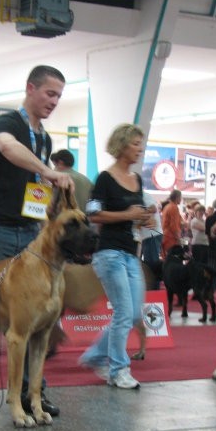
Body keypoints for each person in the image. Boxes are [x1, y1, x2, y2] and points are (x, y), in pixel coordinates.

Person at [0, 64, 75, 417]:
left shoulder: (44, 137)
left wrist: (48, 208)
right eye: (49, 93)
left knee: (35, 319)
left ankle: (29, 392)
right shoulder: (6, 125)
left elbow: (35, 187)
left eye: (59, 95)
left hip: (29, 232)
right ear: (30, 88)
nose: (54, 101)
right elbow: (9, 150)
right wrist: (47, 170)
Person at [78, 123, 152, 389]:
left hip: (132, 254)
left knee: (132, 315)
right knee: (123, 312)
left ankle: (96, 354)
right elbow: (94, 215)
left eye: (141, 145)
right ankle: (118, 370)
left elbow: (136, 215)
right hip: (109, 253)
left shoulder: (137, 180)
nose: (139, 149)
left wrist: (144, 217)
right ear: (122, 146)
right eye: (135, 144)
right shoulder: (105, 179)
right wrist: (127, 215)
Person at [50, 149, 93, 213]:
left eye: (55, 165)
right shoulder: (86, 180)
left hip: (66, 220)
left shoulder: (60, 180)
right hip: (85, 219)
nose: (54, 169)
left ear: (60, 162)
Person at [161, 188, 183, 257]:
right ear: (177, 198)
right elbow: (174, 226)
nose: (181, 199)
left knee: (166, 259)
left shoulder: (167, 206)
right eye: (180, 197)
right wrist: (178, 239)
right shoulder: (174, 207)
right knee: (172, 259)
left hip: (165, 236)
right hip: (171, 238)